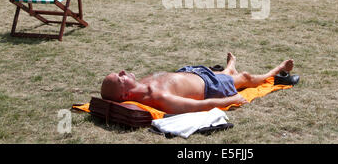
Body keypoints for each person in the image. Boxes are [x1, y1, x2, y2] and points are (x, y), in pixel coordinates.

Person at [101, 52, 295, 114]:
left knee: (223, 73)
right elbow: (199, 106)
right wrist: (231, 99)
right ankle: (279, 69)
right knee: (246, 78)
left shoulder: (139, 84)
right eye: (120, 78)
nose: (123, 72)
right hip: (211, 86)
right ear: (125, 95)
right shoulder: (157, 97)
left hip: (192, 72)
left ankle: (229, 68)